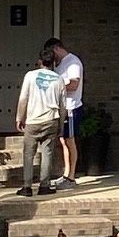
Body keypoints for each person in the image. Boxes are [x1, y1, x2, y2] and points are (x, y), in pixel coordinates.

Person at [16, 49, 66, 197]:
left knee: (28, 154)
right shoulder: (59, 79)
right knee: (47, 153)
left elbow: (23, 98)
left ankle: (27, 187)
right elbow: (63, 106)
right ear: (54, 62)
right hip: (51, 120)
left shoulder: (30, 76)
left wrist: (19, 117)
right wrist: (61, 124)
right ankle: (44, 186)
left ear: (40, 61)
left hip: (33, 120)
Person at [45, 37, 84, 187]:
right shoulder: (61, 64)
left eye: (51, 53)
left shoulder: (72, 62)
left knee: (70, 141)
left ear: (56, 49)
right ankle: (66, 174)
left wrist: (56, 88)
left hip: (71, 108)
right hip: (63, 108)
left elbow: (74, 84)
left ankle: (72, 176)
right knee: (64, 141)